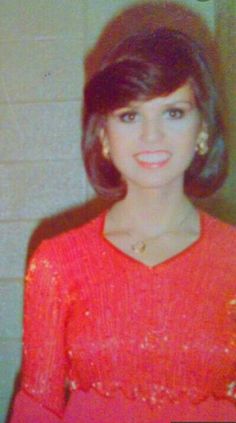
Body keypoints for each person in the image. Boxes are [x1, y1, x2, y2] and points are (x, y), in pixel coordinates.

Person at [10, 27, 236, 423]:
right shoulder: (57, 262)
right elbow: (38, 407)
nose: (152, 135)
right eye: (130, 115)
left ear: (202, 130)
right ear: (103, 135)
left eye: (174, 112)